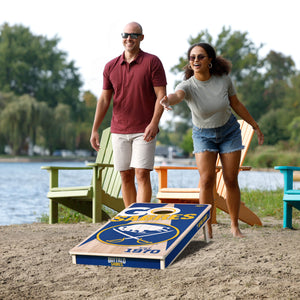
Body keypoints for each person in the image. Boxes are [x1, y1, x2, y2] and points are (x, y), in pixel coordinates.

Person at [160, 43, 264, 238]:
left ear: (209, 60)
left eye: (200, 57)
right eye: (192, 58)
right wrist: (167, 100)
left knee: (230, 179)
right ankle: (207, 227)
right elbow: (177, 96)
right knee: (206, 179)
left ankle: (234, 226)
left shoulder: (223, 80)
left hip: (229, 132)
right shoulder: (187, 85)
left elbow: (236, 104)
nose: (196, 60)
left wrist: (254, 125)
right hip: (203, 135)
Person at [90, 22, 167, 208]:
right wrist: (94, 130)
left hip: (144, 129)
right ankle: (130, 218)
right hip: (119, 130)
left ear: (141, 37)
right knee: (125, 175)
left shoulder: (152, 62)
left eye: (134, 35)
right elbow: (104, 100)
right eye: (125, 34)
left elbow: (161, 96)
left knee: (141, 173)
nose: (129, 38)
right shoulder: (111, 66)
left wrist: (154, 123)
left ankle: (142, 216)